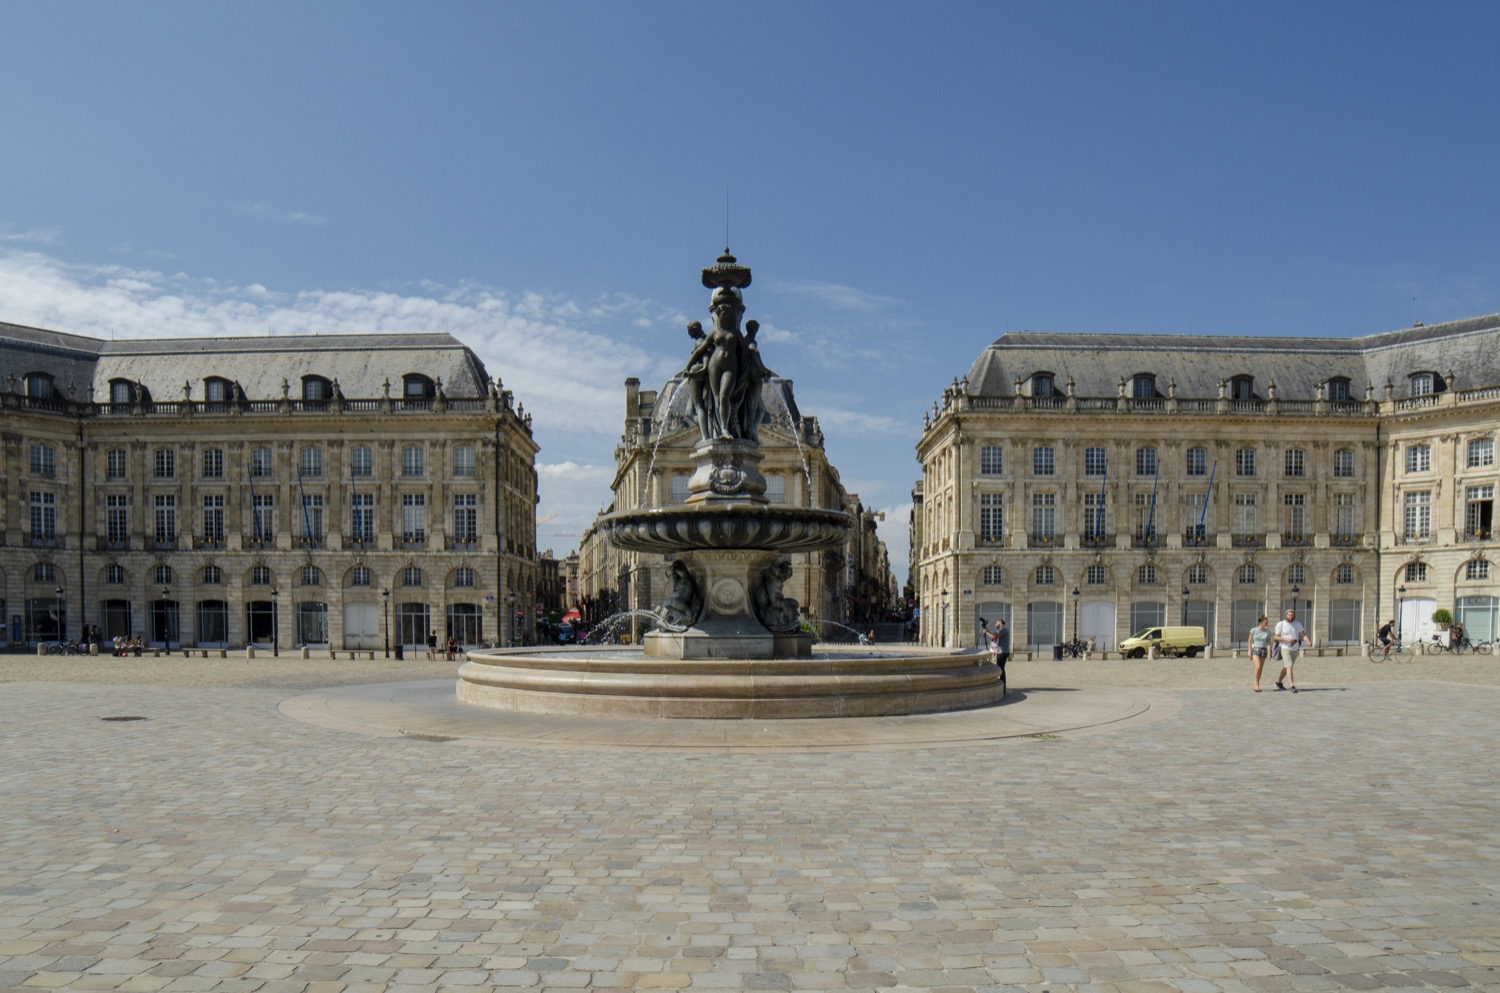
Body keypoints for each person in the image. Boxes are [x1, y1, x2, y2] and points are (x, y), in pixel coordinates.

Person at [1273, 608, 1310, 692]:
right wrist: (1287, 639)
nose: (1291, 616)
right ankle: (1291, 685)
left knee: (1287, 667)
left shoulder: (1297, 624)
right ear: (1286, 615)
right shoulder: (1280, 624)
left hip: (1295, 648)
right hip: (1285, 647)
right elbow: (1275, 637)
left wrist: (1308, 641)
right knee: (1289, 666)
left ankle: (1278, 682)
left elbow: (1303, 634)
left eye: (1292, 615)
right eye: (1289, 615)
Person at [1246, 614, 1272, 692]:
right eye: (1265, 622)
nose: (1266, 624)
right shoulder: (1254, 630)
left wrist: (1269, 653)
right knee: (1258, 666)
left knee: (1260, 668)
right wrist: (1249, 651)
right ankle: (1256, 684)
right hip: (1256, 649)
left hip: (1263, 650)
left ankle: (1257, 684)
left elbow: (1269, 643)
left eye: (1267, 622)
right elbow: (1249, 641)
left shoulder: (1268, 632)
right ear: (1260, 622)